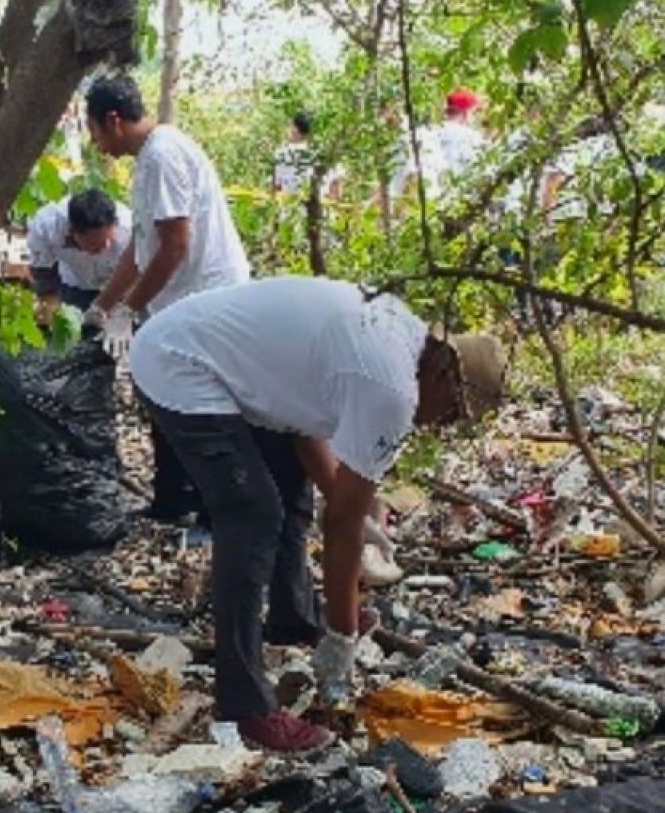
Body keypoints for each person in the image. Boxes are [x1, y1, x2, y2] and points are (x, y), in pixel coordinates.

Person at [129, 276, 505, 752]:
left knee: (291, 493)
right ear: (444, 376)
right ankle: (244, 706)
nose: (440, 426)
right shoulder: (391, 386)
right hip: (179, 364)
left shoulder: (396, 332)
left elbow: (304, 424)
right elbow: (341, 525)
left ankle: (293, 617)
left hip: (214, 356)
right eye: (451, 413)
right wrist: (342, 639)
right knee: (253, 515)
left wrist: (352, 509)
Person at [82, 73, 251, 521]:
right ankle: (173, 500)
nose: (97, 143)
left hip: (206, 300)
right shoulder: (148, 161)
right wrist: (101, 308)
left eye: (95, 131)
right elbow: (142, 250)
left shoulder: (162, 155)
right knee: (163, 397)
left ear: (114, 121)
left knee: (202, 407)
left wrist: (128, 309)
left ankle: (219, 510)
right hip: (180, 305)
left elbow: (176, 244)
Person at [27, 188, 132, 312]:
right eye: (95, 244)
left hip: (118, 285)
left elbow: (136, 274)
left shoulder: (130, 231)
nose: (106, 247)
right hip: (75, 283)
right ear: (72, 232)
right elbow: (43, 273)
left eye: (109, 239)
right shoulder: (46, 228)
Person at [436, 88, 486, 182]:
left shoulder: (432, 131)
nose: (475, 118)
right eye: (474, 113)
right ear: (465, 113)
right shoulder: (472, 137)